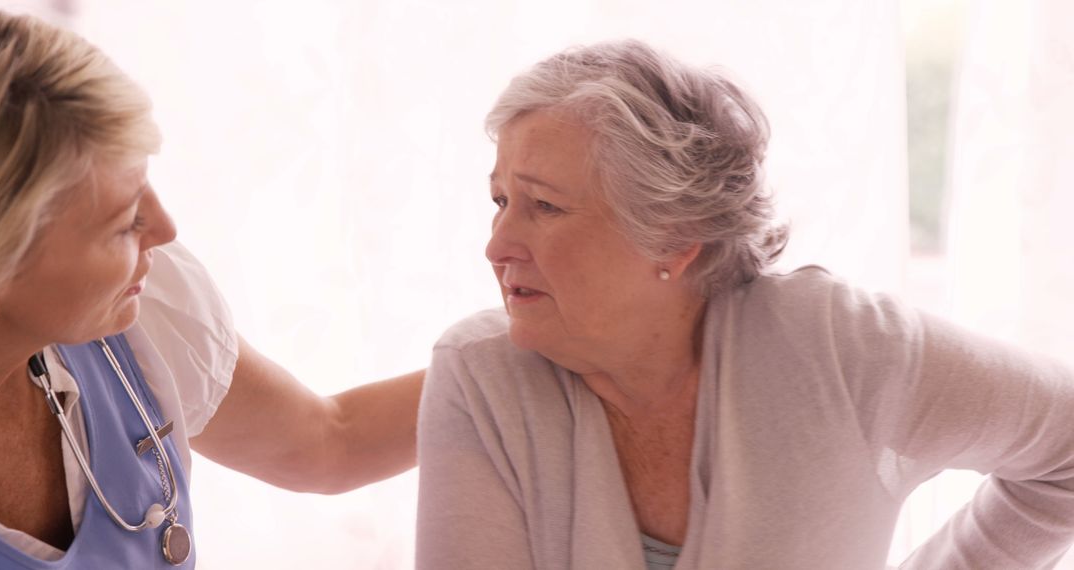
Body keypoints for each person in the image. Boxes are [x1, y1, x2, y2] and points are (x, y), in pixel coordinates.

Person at [415, 39, 1074, 569]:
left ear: (672, 239)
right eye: (501, 202)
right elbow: (329, 446)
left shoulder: (838, 348)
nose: (496, 245)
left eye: (545, 206)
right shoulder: (478, 378)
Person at [0, 11, 422, 568]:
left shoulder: (137, 314)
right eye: (124, 220)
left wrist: (510, 351)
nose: (165, 229)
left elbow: (328, 441)